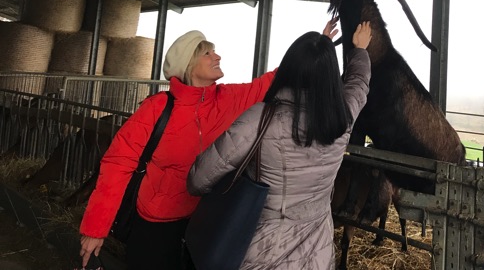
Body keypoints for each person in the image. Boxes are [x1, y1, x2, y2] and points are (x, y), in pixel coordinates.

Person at [78, 30, 276, 270]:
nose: (217, 56)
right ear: (188, 64)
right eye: (207, 53)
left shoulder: (228, 98)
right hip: (156, 223)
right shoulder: (157, 107)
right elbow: (118, 165)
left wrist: (312, 48)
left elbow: (270, 82)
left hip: (204, 221)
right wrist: (95, 229)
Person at [187, 18, 372, 270]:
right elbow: (358, 84)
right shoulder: (343, 120)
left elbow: (198, 180)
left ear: (288, 68)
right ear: (329, 76)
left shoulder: (260, 118)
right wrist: (359, 50)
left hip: (264, 252)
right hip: (318, 253)